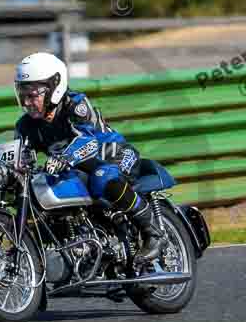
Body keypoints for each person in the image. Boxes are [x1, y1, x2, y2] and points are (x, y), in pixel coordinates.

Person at [12, 52, 168, 264]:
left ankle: (153, 233)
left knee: (102, 177)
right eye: (23, 95)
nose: (28, 102)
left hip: (114, 155)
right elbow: (19, 157)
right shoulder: (26, 125)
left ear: (54, 87)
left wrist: (64, 157)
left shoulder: (75, 104)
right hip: (75, 168)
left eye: (33, 94)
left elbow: (88, 141)